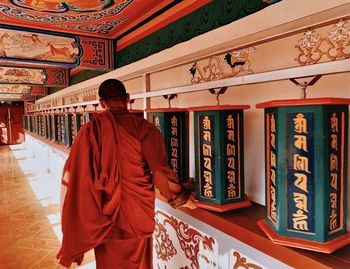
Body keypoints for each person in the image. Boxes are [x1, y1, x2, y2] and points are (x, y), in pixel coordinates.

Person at [57, 79, 194, 269]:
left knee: (108, 263)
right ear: (128, 99)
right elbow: (160, 172)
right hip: (137, 213)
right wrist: (181, 197)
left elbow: (76, 175)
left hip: (104, 215)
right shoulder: (144, 128)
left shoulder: (90, 132)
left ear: (102, 102)